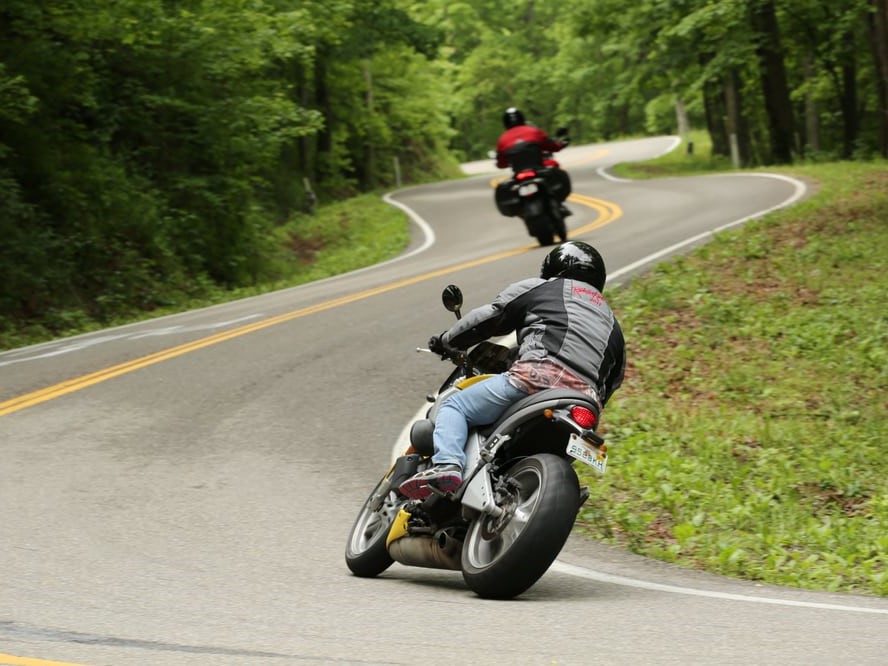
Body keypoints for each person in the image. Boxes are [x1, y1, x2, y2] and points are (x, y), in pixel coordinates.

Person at [399, 241, 626, 500]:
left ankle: (448, 465)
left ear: (553, 267)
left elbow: (491, 318)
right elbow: (612, 383)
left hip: (537, 377)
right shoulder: (614, 327)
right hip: (583, 406)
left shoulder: (544, 287)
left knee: (455, 407)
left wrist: (446, 340)